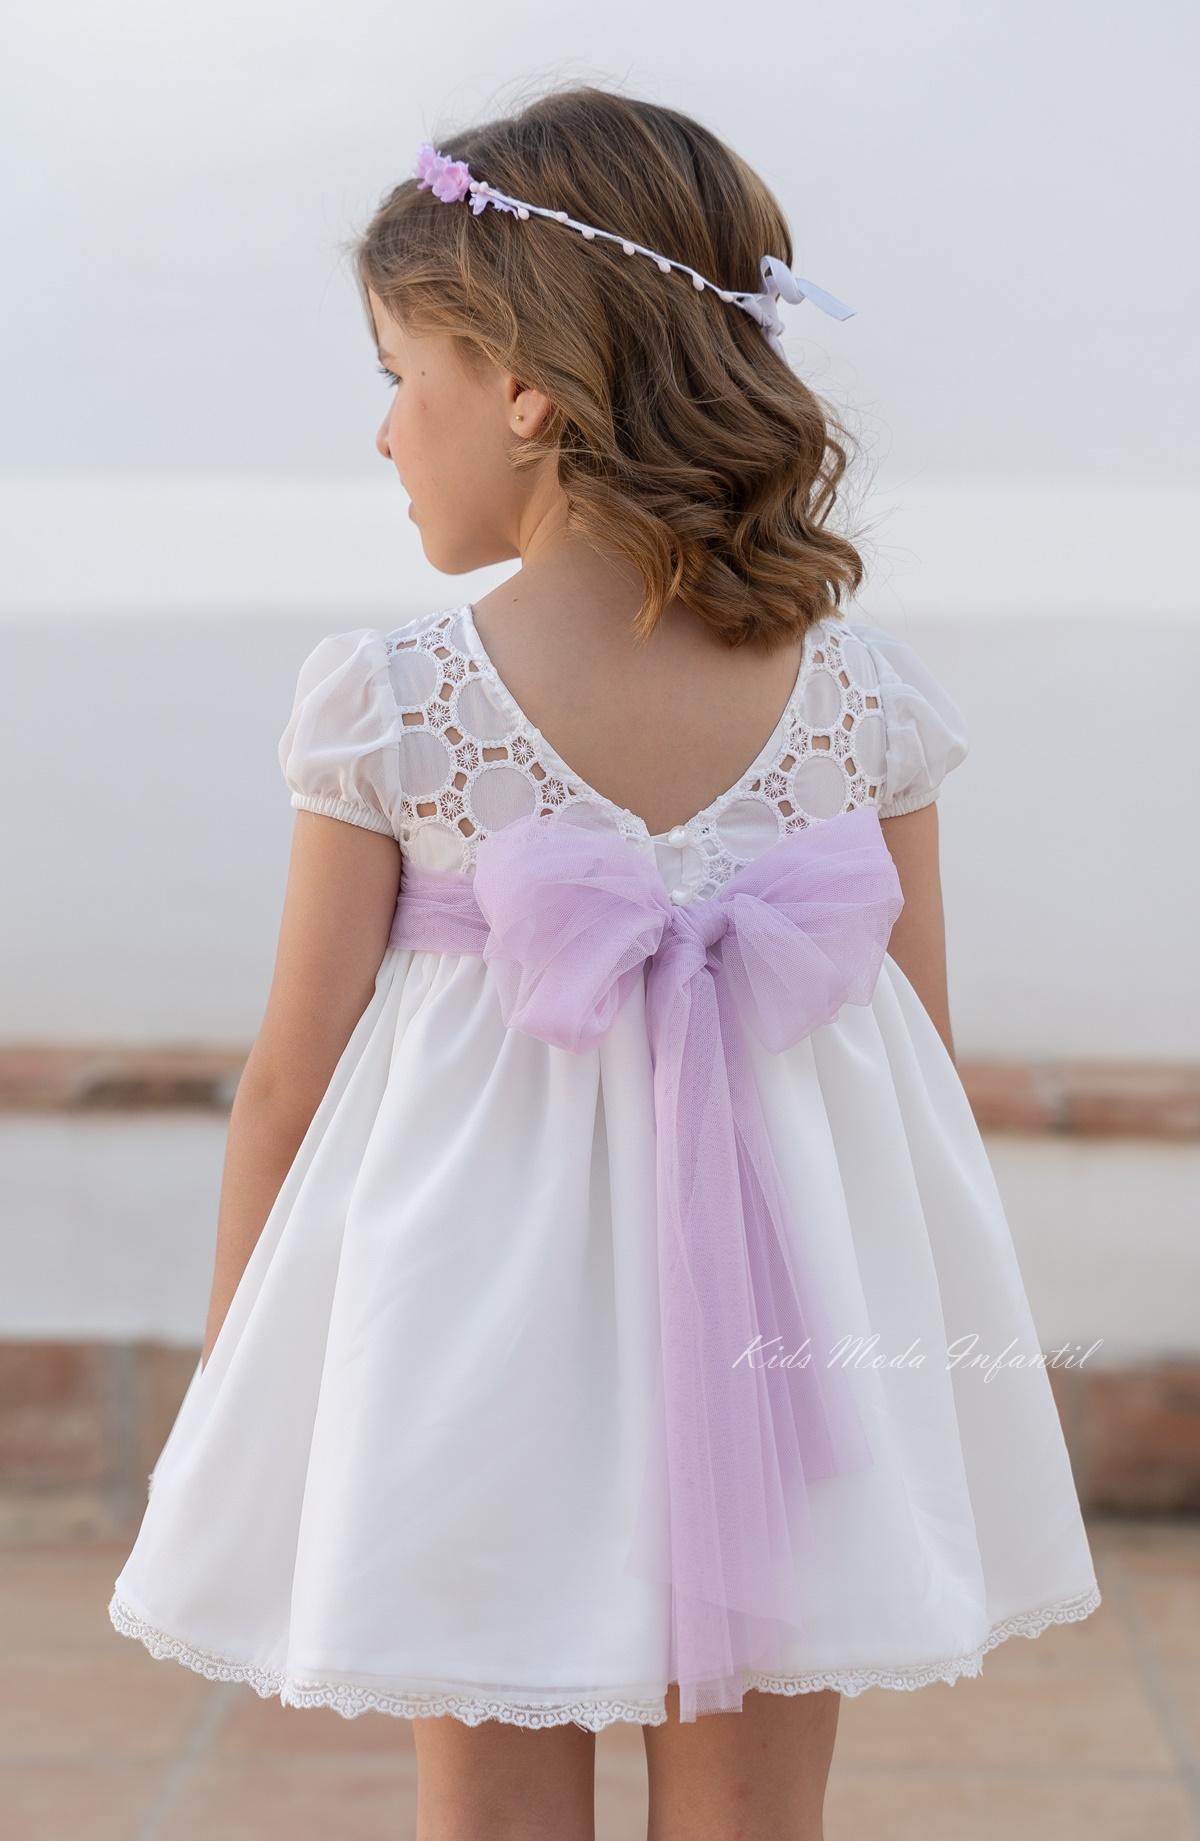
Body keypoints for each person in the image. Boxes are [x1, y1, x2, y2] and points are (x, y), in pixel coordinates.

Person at [108, 84, 1101, 1841]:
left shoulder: (397, 709)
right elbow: (918, 1100)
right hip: (792, 1375)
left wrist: (245, 1393)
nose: (385, 433)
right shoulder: (863, 705)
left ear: (522, 386)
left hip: (467, 1359)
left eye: (398, 375)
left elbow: (287, 1088)